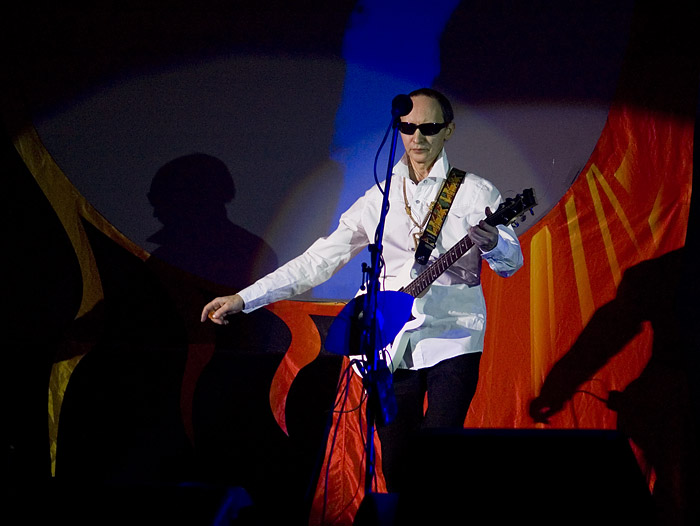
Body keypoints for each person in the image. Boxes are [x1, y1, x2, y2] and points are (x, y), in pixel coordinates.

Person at [201, 88, 524, 492]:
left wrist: (493, 244)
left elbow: (511, 262)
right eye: (407, 127)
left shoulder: (475, 192)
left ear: (448, 130)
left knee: (440, 454)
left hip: (453, 336)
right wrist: (244, 298)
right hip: (386, 343)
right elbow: (319, 260)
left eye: (429, 128)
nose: (417, 138)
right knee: (396, 462)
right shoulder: (379, 197)